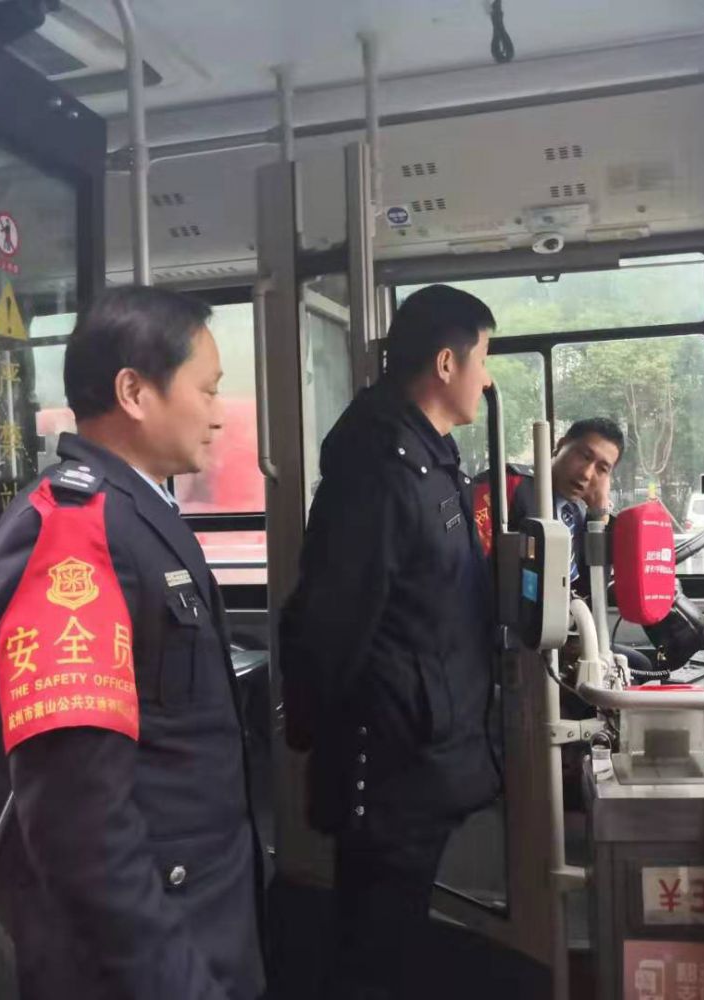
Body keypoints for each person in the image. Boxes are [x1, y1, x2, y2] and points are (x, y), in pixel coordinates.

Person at [0, 286, 263, 1000]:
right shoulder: (72, 532)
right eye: (207, 389)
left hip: (200, 914)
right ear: (134, 392)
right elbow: (79, 821)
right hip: (146, 960)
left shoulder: (138, 512)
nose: (218, 413)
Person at [278, 284, 501, 999]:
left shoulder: (429, 457)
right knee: (373, 951)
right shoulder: (379, 467)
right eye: (483, 358)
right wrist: (318, 730)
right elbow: (333, 618)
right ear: (446, 363)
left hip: (420, 753)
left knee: (392, 939)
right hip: (392, 762)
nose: (486, 379)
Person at [505, 417, 625, 594]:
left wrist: (599, 515)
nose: (586, 474)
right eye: (584, 457)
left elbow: (592, 590)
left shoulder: (580, 513)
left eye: (602, 469)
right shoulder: (510, 486)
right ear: (560, 445)